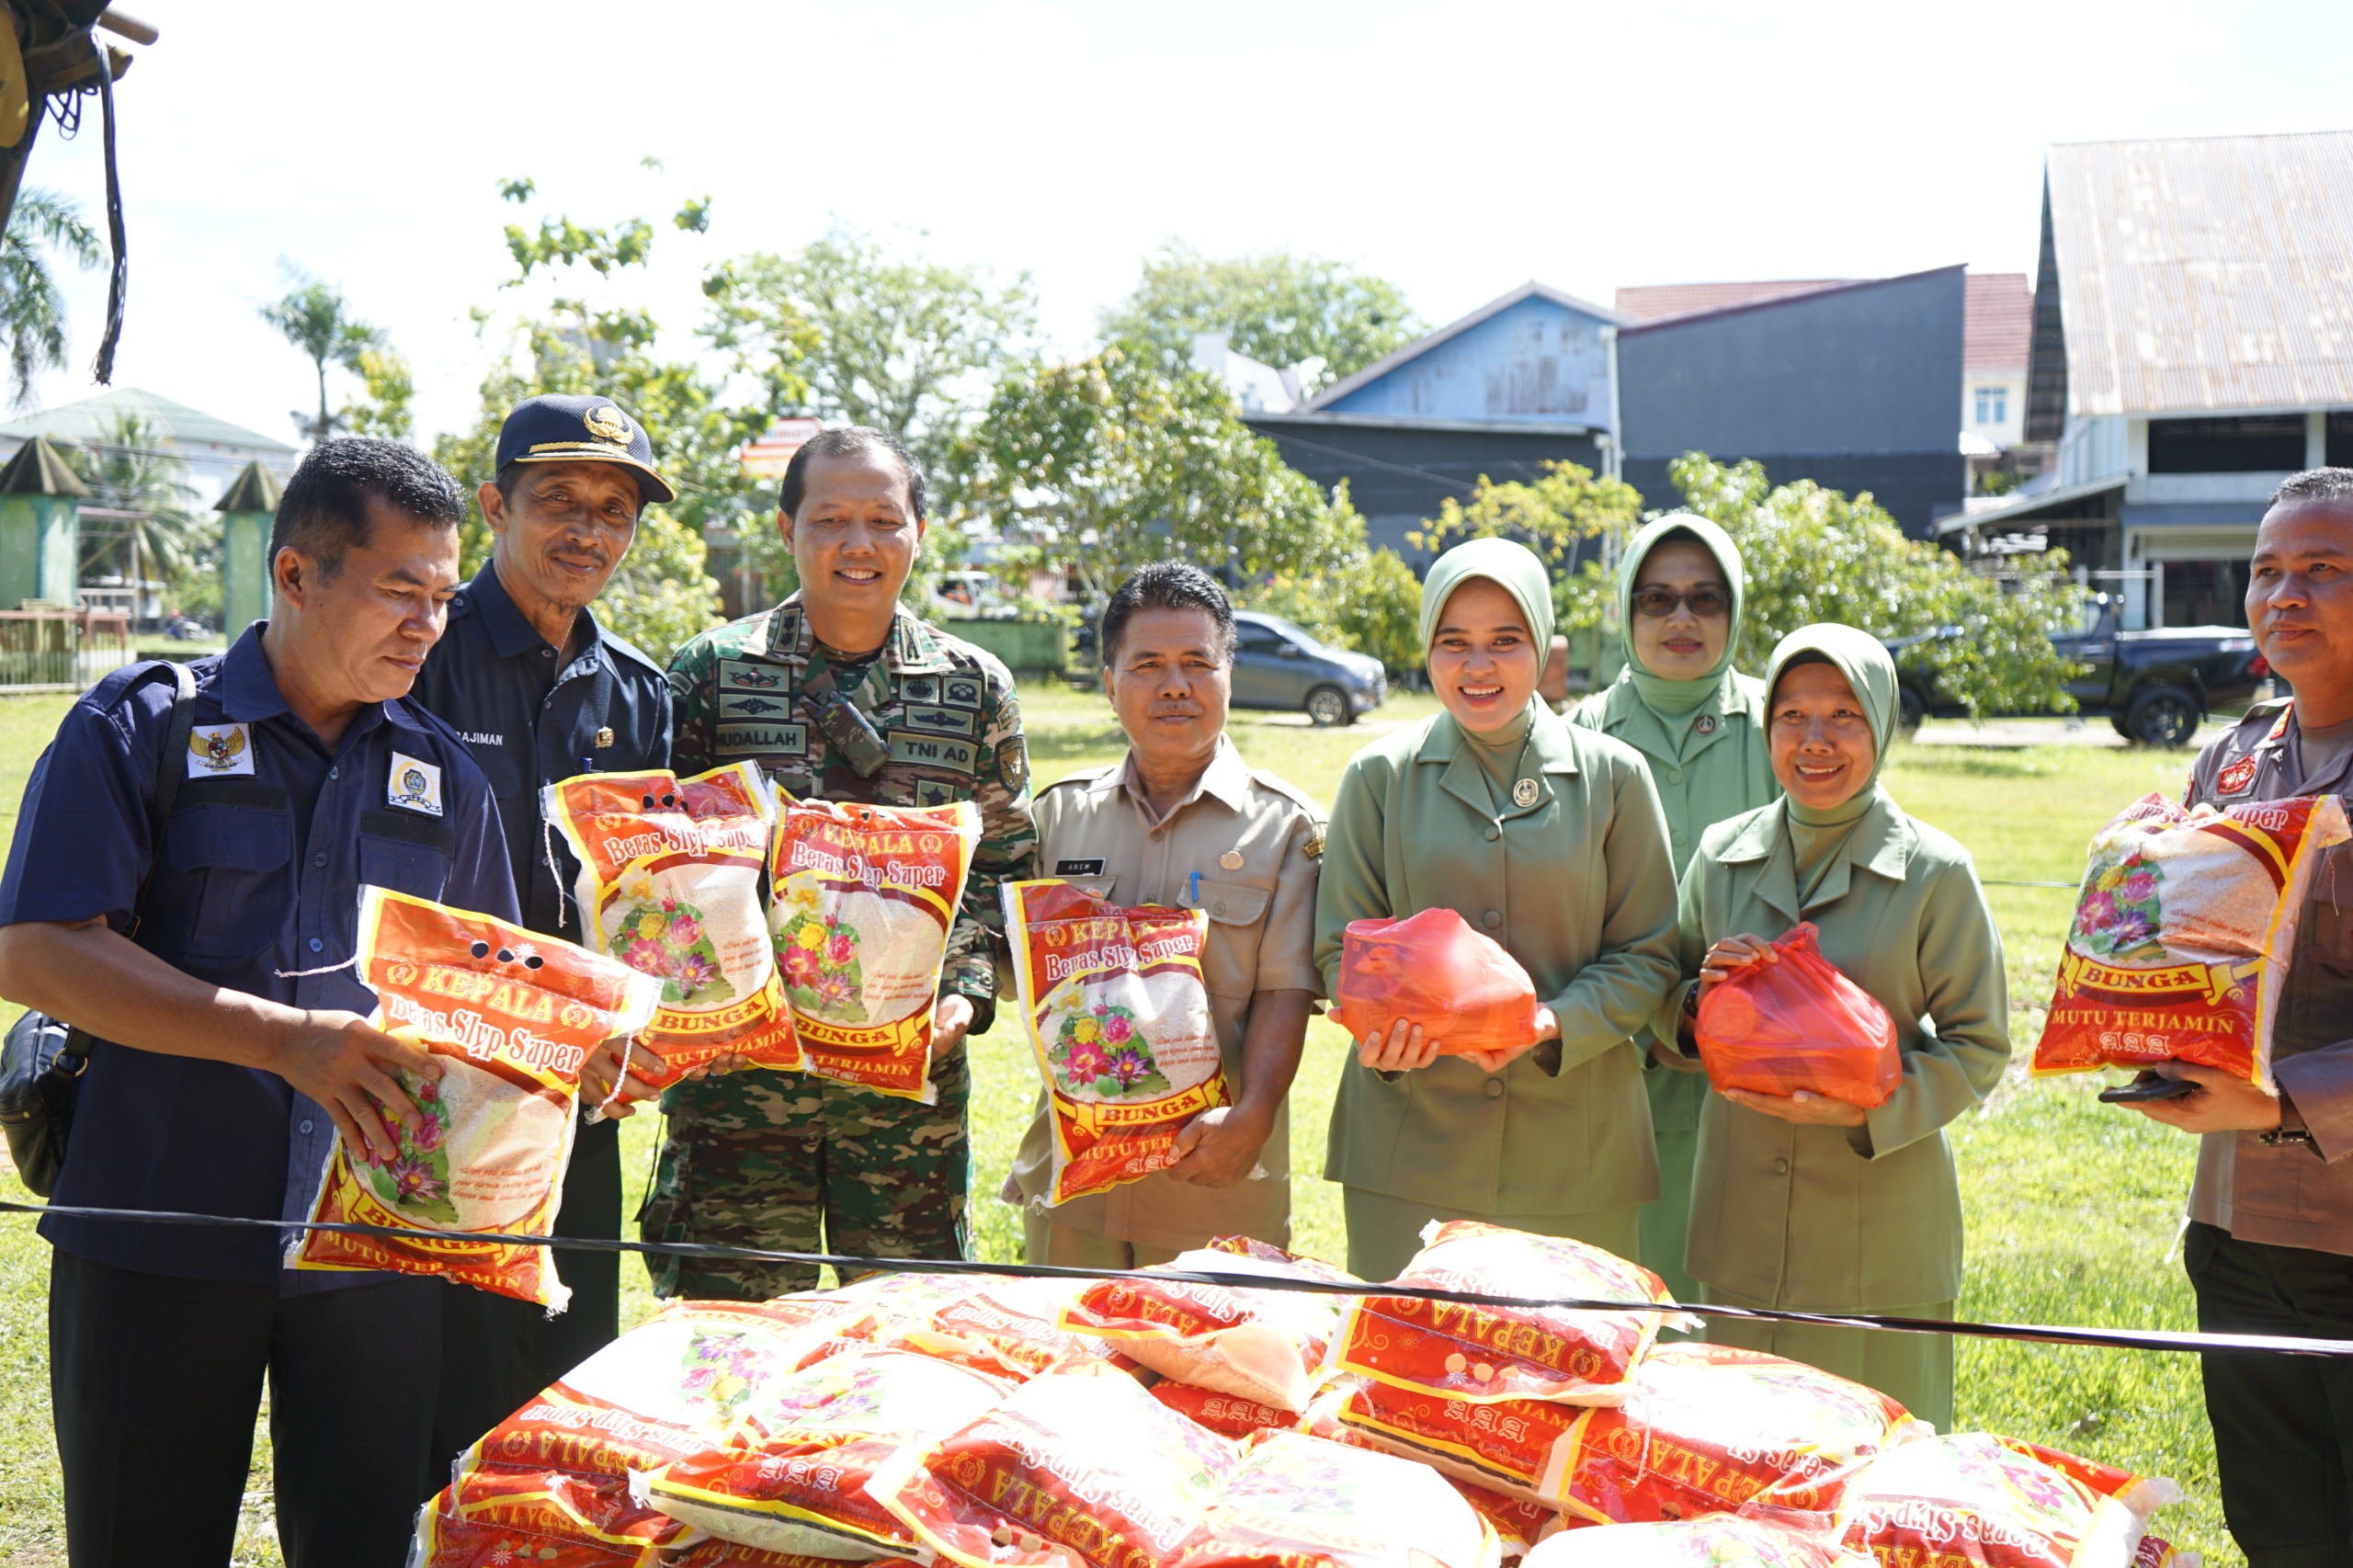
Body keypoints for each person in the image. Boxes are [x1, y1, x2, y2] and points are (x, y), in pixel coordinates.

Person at [0, 439, 517, 1568]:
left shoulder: (446, 777)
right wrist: (288, 1041)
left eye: (441, 595)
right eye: (397, 589)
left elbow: (493, 1006)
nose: (428, 622)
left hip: (373, 1256)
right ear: (295, 574)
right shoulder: (143, 727)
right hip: (160, 1230)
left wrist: (580, 1054)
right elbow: (36, 948)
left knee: (364, 1548)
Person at [646, 426, 1038, 1299]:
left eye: (882, 520)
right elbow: (660, 864)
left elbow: (1003, 867)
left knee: (901, 1336)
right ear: (787, 531)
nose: (858, 545)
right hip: (741, 1088)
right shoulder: (712, 674)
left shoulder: (973, 687)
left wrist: (963, 994)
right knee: (725, 1341)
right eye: (830, 520)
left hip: (906, 1088)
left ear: (918, 534)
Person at [408, 393, 676, 1461]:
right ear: (492, 506)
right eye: (558, 499)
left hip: (582, 1094)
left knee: (564, 1377)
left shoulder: (636, 693)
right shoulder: (419, 653)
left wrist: (668, 1019)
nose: (588, 529)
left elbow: (652, 896)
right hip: (433, 1089)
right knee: (437, 1383)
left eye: (615, 509)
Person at [1658, 623, 2008, 1432]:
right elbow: (1665, 999)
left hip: (1879, 1237)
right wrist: (1697, 998)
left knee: (1877, 1483)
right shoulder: (1721, 857)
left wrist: (1865, 1110)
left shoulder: (1932, 872)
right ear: (1767, 727)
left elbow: (1980, 1043)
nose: (1815, 742)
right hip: (1739, 1220)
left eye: (1844, 715)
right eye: (1792, 717)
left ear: (1881, 723)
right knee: (1741, 1469)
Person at [1314, 536, 1681, 1281]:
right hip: (1408, 1151)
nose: (1477, 667)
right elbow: (1336, 951)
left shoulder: (1613, 778)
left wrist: (1552, 1023)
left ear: (1544, 646)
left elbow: (1648, 956)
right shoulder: (1379, 777)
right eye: (1455, 643)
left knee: (1563, 1387)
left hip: (1574, 1160)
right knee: (1407, 1387)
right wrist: (1384, 1030)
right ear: (1428, 650)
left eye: (1504, 642)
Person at [2130, 468, 2353, 1567]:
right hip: (2234, 1226)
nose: (2285, 594)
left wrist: (2276, 1097)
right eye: (2267, 569)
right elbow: (2188, 961)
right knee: (2276, 1525)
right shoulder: (2230, 761)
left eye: (2322, 569)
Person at [1004, 562, 1325, 1265]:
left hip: (1212, 1181)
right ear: (1110, 683)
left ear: (1229, 677)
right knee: (1070, 1368)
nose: (1175, 685)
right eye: (1147, 664)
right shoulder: (1058, 817)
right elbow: (1011, 974)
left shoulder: (1285, 829)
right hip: (1073, 1187)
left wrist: (1256, 1117)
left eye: (1196, 663)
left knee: (1206, 1370)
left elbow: (1286, 991)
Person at [1572, 514, 1776, 1304]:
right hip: (1614, 1073)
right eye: (1657, 598)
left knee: (1740, 1308)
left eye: (1705, 598)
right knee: (1624, 1301)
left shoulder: (1783, 724)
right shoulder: (1578, 737)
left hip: (1761, 1075)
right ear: (1626, 612)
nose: (1682, 619)